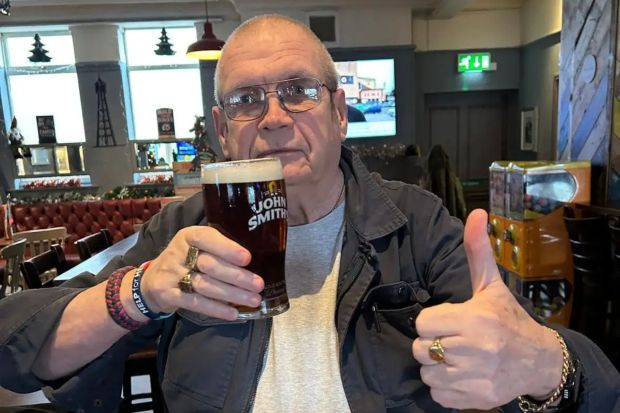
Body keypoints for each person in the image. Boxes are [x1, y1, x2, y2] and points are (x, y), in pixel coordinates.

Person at [0, 15, 619, 413]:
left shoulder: (418, 223)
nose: (273, 117)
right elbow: (16, 349)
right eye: (246, 100)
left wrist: (539, 365)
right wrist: (138, 291)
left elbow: (598, 386)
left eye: (298, 90)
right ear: (221, 130)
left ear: (339, 113)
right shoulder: (184, 233)